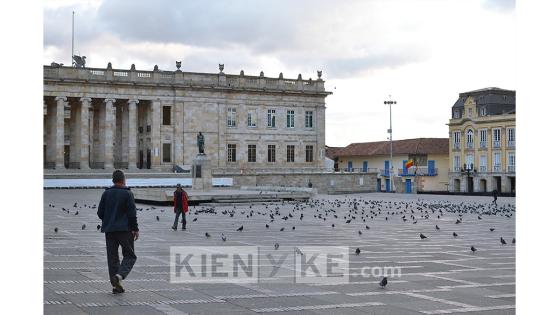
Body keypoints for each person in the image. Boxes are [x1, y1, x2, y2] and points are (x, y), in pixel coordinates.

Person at [97, 170, 139, 294]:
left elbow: (100, 213)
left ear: (113, 180)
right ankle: (119, 276)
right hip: (125, 230)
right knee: (130, 255)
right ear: (124, 180)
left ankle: (116, 286)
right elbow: (132, 214)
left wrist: (109, 219)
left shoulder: (106, 193)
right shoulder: (127, 194)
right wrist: (135, 229)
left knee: (112, 258)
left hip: (109, 230)